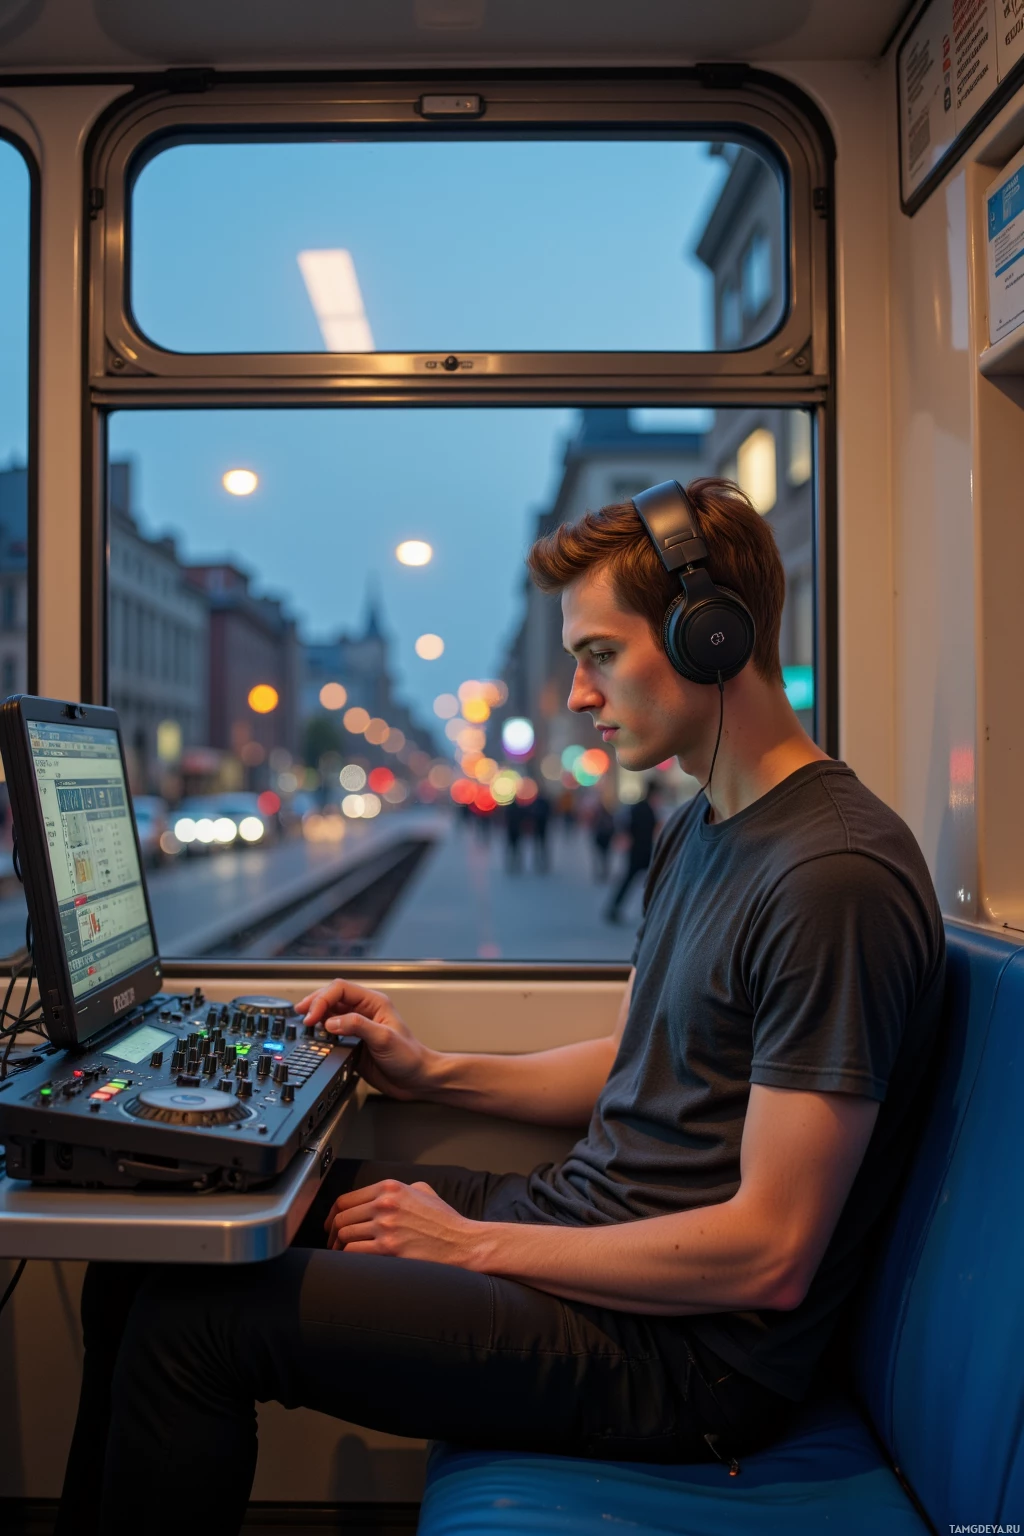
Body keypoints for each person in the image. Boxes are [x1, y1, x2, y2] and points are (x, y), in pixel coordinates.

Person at [58, 478, 945, 1535]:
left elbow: (770, 1250)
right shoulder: (704, 827)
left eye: (600, 654)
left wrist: (471, 1246)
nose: (576, 693)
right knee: (159, 1245)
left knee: (194, 1328)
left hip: (684, 1356)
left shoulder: (830, 875)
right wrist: (431, 1070)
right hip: (586, 1232)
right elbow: (649, 1050)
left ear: (715, 637)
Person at [605, 781, 658, 921]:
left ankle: (614, 908)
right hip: (641, 852)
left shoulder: (639, 807)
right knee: (652, 881)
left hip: (639, 851)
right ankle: (614, 909)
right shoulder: (646, 809)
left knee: (636, 881)